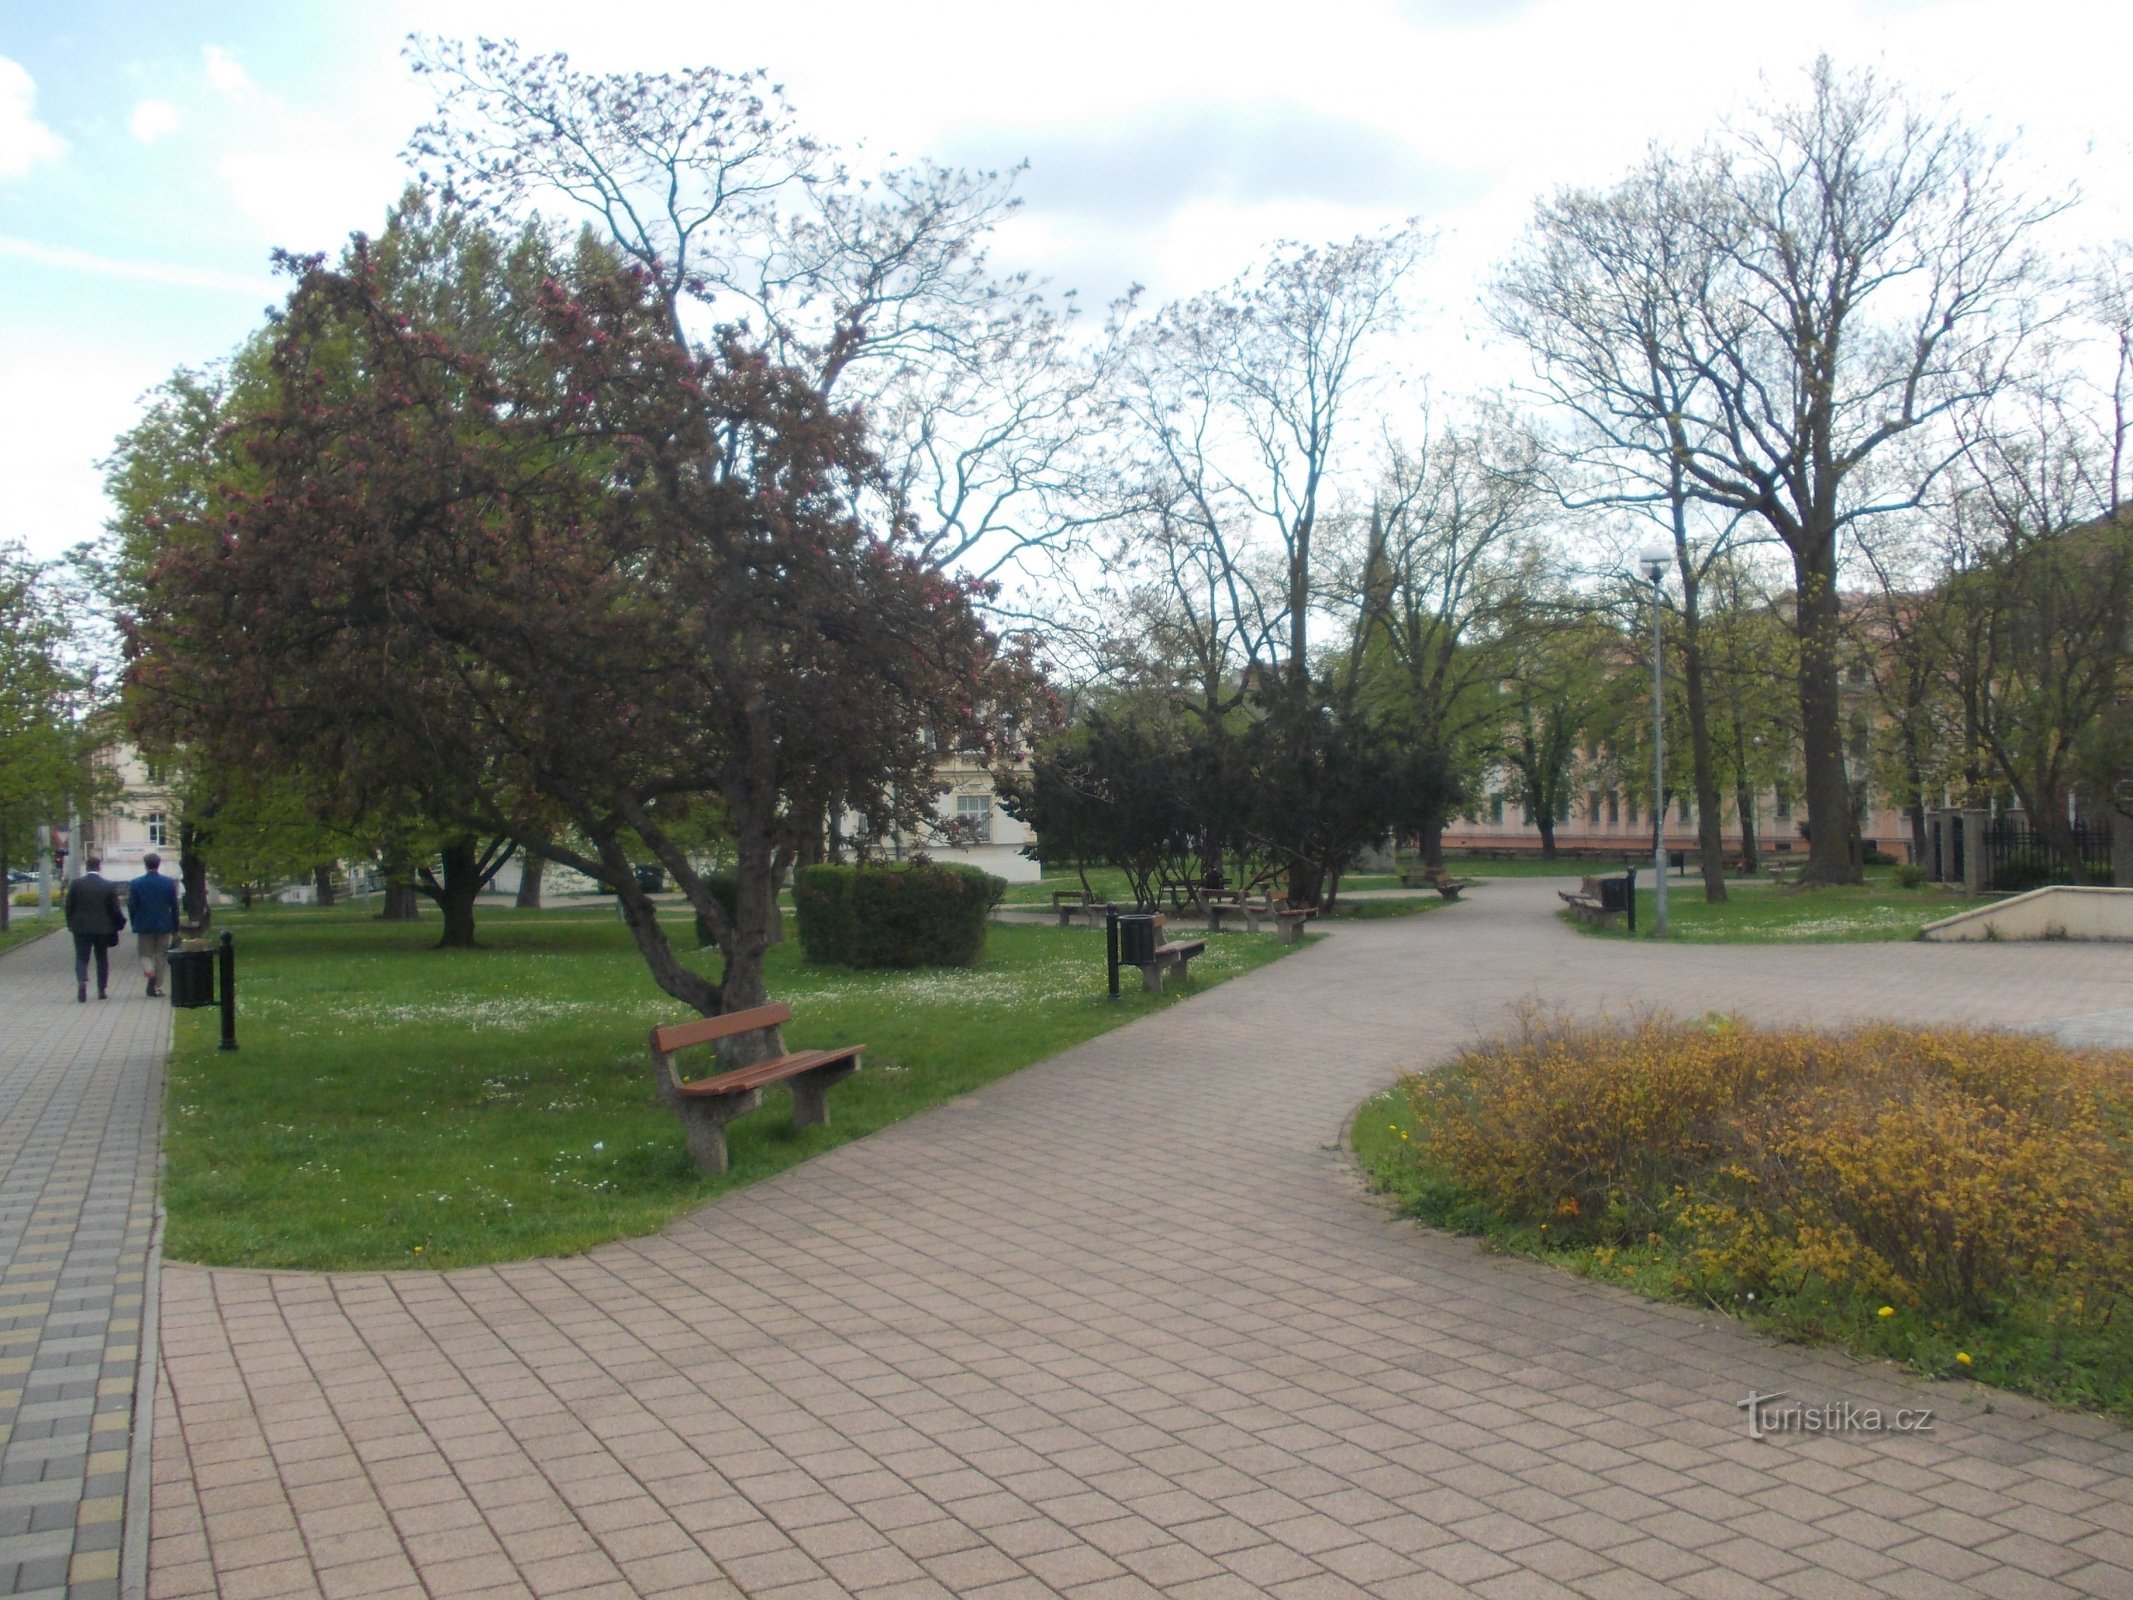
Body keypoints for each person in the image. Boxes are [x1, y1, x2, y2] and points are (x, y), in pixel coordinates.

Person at [63, 855, 126, 1003]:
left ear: (87, 867)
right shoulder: (108, 886)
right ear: (99, 867)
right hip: (103, 929)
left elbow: (69, 906)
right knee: (102, 958)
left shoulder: (76, 884)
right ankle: (101, 989)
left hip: (80, 928)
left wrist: (70, 923)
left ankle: (82, 981)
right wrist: (119, 924)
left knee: (81, 957)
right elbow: (115, 910)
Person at [129, 852, 181, 998]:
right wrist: (175, 927)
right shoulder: (168, 883)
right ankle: (157, 987)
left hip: (144, 925)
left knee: (145, 954)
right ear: (158, 864)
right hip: (164, 924)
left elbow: (132, 906)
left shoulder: (136, 883)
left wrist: (134, 922)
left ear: (145, 865)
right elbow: (174, 906)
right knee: (161, 955)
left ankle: (149, 972)